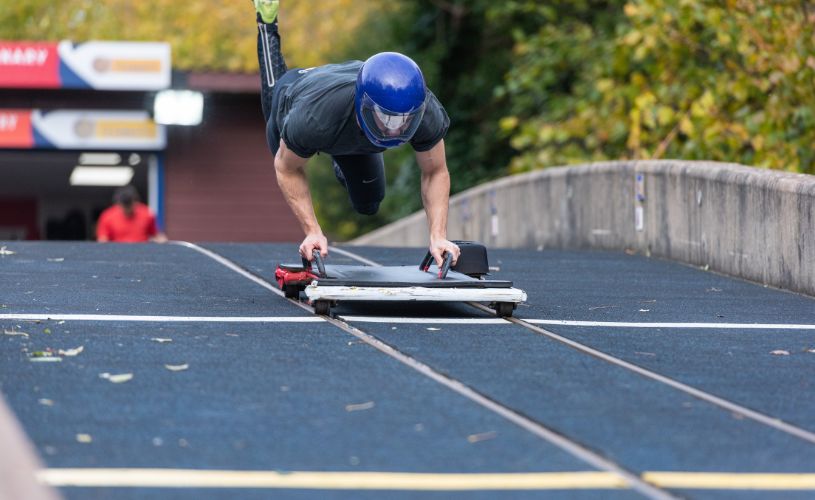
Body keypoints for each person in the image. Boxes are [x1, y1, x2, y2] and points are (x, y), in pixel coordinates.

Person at [253, 0, 460, 266]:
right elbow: (287, 169)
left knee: (369, 203)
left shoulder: (425, 111)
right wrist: (313, 232)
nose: (393, 128)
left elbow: (435, 171)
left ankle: (341, 157)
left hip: (345, 107)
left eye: (404, 121)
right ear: (363, 106)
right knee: (278, 120)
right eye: (384, 118)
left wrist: (438, 236)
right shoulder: (312, 119)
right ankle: (267, 23)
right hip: (296, 93)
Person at [96, 185, 167, 243]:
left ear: (136, 202)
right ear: (118, 204)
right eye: (125, 206)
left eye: (130, 205)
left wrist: (162, 240)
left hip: (142, 253)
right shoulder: (107, 216)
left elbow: (156, 234)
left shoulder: (147, 214)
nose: (127, 209)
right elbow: (103, 239)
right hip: (117, 254)